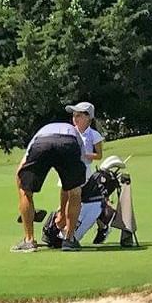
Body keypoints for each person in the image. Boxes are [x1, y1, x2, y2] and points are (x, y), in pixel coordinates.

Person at [13, 103, 93, 253]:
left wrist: (24, 195)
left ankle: (29, 240)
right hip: (68, 144)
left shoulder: (41, 132)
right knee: (75, 191)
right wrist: (62, 210)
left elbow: (19, 173)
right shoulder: (74, 133)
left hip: (42, 143)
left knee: (25, 189)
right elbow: (70, 185)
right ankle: (69, 240)